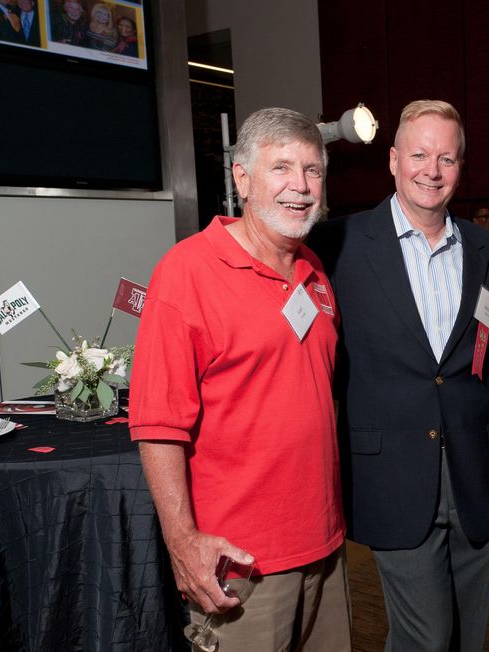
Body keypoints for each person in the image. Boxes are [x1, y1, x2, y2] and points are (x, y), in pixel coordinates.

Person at [129, 108, 351, 651]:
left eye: (313, 170)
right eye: (281, 168)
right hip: (240, 563)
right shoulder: (186, 273)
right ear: (242, 178)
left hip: (324, 546)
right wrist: (182, 542)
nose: (300, 186)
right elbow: (158, 424)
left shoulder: (313, 269)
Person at [309, 100, 489, 651]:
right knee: (426, 637)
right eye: (420, 155)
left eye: (447, 157)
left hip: (476, 472)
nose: (433, 170)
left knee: (468, 637)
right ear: (394, 160)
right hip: (391, 474)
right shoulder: (337, 245)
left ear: (461, 166)